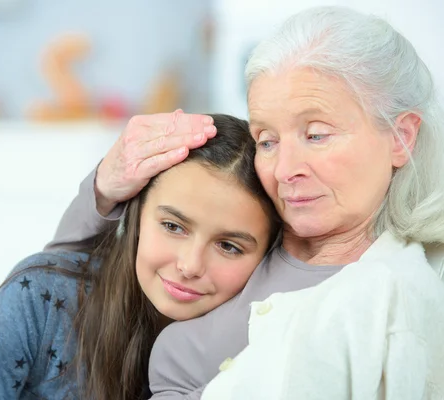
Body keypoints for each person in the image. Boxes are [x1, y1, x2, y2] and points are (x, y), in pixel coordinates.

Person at [47, 6, 444, 399]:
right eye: (267, 140)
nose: (285, 170)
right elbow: (56, 285)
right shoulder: (260, 224)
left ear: (401, 137)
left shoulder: (397, 294)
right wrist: (104, 187)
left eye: (317, 134)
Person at [0, 114, 281, 399]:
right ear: (137, 216)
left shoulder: (268, 350)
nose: (190, 266)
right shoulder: (40, 299)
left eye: (229, 247)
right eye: (173, 227)